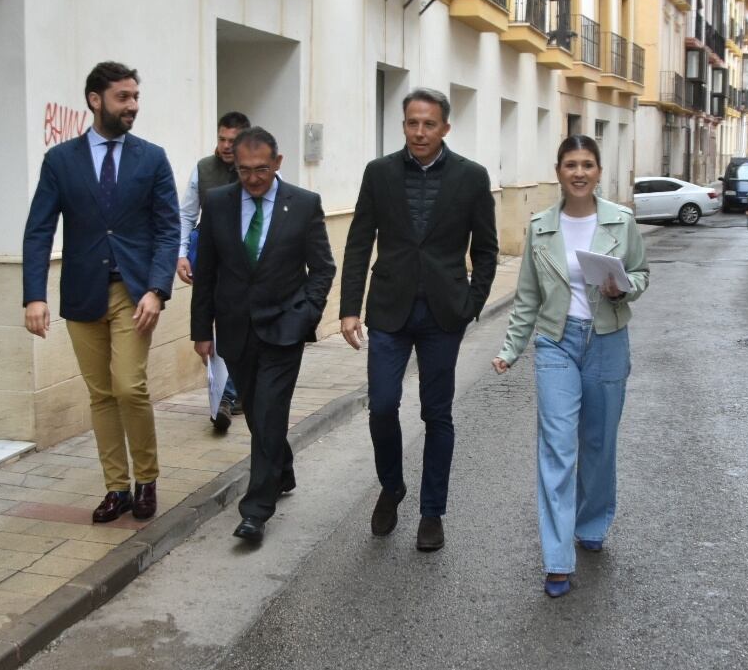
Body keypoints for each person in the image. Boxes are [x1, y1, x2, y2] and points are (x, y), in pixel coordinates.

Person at [340, 88, 499, 553]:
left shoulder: (471, 177)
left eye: (429, 124)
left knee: (437, 414)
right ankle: (392, 486)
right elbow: (358, 241)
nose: (420, 132)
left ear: (445, 128)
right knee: (383, 405)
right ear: (404, 125)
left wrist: (472, 303)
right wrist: (350, 306)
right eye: (412, 123)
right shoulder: (380, 173)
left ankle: (432, 512)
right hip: (390, 308)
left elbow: (486, 250)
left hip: (443, 313)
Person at [23, 62, 179, 524]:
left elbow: (169, 230)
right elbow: (39, 231)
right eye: (123, 97)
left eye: (135, 97)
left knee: (129, 386)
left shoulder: (151, 158)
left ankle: (146, 478)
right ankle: (117, 488)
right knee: (101, 395)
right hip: (83, 291)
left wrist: (157, 288)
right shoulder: (61, 161)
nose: (133, 105)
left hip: (133, 292)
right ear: (96, 99)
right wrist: (35, 294)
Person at [493, 136, 648, 599]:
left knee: (598, 445)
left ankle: (592, 520)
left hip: (606, 340)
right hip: (556, 344)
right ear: (558, 171)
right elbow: (527, 298)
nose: (578, 172)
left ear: (598, 171)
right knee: (558, 448)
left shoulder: (621, 221)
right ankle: (557, 560)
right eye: (570, 164)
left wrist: (624, 288)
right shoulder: (541, 226)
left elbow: (641, 273)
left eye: (587, 164)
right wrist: (511, 347)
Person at [191, 127, 334, 545]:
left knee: (269, 412)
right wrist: (202, 331)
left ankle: (255, 510)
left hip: (284, 328)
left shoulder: (303, 205)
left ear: (278, 163)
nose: (253, 179)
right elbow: (208, 273)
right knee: (256, 412)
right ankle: (283, 468)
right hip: (235, 328)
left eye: (261, 170)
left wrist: (306, 314)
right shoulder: (218, 203)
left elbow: (323, 268)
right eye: (243, 170)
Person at [177, 111, 251, 431]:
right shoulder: (203, 170)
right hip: (213, 261)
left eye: (232, 141)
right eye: (221, 138)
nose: (225, 146)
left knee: (244, 328)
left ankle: (238, 391)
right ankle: (225, 396)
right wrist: (181, 255)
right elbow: (186, 214)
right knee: (220, 327)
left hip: (249, 265)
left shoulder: (256, 169)